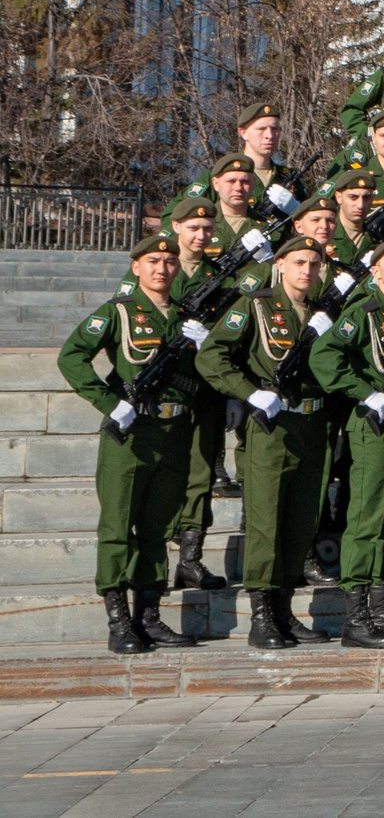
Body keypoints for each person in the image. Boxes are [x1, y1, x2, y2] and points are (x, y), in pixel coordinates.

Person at [59, 232, 207, 655]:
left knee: (158, 528)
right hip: (131, 435)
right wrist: (109, 402)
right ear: (137, 266)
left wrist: (205, 343)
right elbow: (71, 356)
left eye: (170, 262)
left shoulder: (184, 319)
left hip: (175, 432)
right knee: (118, 526)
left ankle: (149, 615)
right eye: (154, 262)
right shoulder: (118, 313)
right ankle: (118, 620)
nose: (163, 268)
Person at [197, 234, 334, 649]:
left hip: (312, 427)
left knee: (300, 522)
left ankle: (285, 611)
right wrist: (247, 391)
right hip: (270, 430)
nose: (307, 271)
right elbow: (211, 355)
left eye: (314, 264)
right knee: (266, 522)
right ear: (280, 265)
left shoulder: (322, 314)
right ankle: (261, 617)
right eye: (299, 263)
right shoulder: (255, 306)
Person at [310, 234, 384, 649]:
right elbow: (324, 355)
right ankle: (356, 619)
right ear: (375, 270)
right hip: (374, 425)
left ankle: (383, 612)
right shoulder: (365, 310)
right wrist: (364, 392)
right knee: (367, 520)